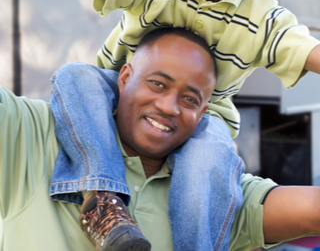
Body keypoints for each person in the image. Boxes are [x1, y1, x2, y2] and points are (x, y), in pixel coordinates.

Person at [1, 0, 320, 249]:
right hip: (112, 87)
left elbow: (309, 53)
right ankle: (103, 201)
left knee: (209, 158)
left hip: (206, 116)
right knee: (76, 76)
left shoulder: (263, 18)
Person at [2, 27, 320, 251]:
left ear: (204, 111)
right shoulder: (34, 134)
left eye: (190, 99)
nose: (168, 107)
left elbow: (311, 210)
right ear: (124, 78)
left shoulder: (213, 190)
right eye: (157, 84)